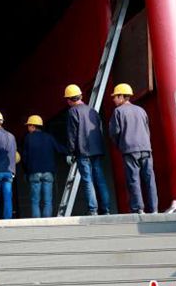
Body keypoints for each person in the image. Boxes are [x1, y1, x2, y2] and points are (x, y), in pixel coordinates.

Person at [109, 83, 159, 214]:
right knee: (150, 179)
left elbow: (114, 133)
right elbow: (147, 131)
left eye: (115, 96)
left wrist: (121, 145)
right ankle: (154, 208)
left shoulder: (118, 112)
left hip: (130, 149)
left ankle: (138, 208)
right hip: (146, 148)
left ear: (121, 96)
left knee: (133, 179)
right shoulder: (141, 110)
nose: (114, 99)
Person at [64, 84, 111, 215]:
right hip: (96, 150)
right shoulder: (92, 111)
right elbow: (100, 130)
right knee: (100, 179)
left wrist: (70, 152)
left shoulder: (73, 112)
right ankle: (106, 209)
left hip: (83, 151)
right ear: (80, 96)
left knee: (87, 180)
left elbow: (72, 134)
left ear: (69, 100)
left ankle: (93, 209)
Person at [21, 114, 65, 218]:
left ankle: (37, 223)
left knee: (35, 200)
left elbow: (24, 157)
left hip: (34, 172)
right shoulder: (49, 137)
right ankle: (47, 222)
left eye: (28, 126)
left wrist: (26, 172)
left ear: (33, 126)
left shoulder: (28, 138)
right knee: (48, 200)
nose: (28, 128)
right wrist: (71, 152)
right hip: (48, 172)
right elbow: (59, 149)